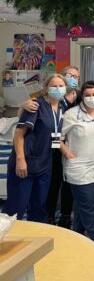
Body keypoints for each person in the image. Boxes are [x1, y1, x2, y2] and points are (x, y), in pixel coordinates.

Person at [20, 66, 80, 228]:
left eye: (75, 76)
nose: (72, 78)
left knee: (67, 185)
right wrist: (25, 104)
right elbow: (30, 112)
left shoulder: (80, 97)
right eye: (69, 75)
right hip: (50, 150)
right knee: (51, 186)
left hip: (69, 147)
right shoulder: (45, 101)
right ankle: (49, 217)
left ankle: (66, 216)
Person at [2, 74, 65, 222]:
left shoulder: (62, 107)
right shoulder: (36, 105)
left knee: (39, 206)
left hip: (44, 165)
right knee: (16, 207)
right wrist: (20, 159)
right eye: (54, 86)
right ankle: (5, 240)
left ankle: (38, 240)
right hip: (25, 162)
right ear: (46, 88)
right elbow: (19, 133)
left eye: (61, 86)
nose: (58, 89)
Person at [59, 81, 94, 250]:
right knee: (90, 207)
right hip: (78, 168)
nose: (91, 98)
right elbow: (56, 138)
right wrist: (67, 153)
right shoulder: (71, 114)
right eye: (87, 95)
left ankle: (77, 234)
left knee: (82, 206)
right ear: (82, 96)